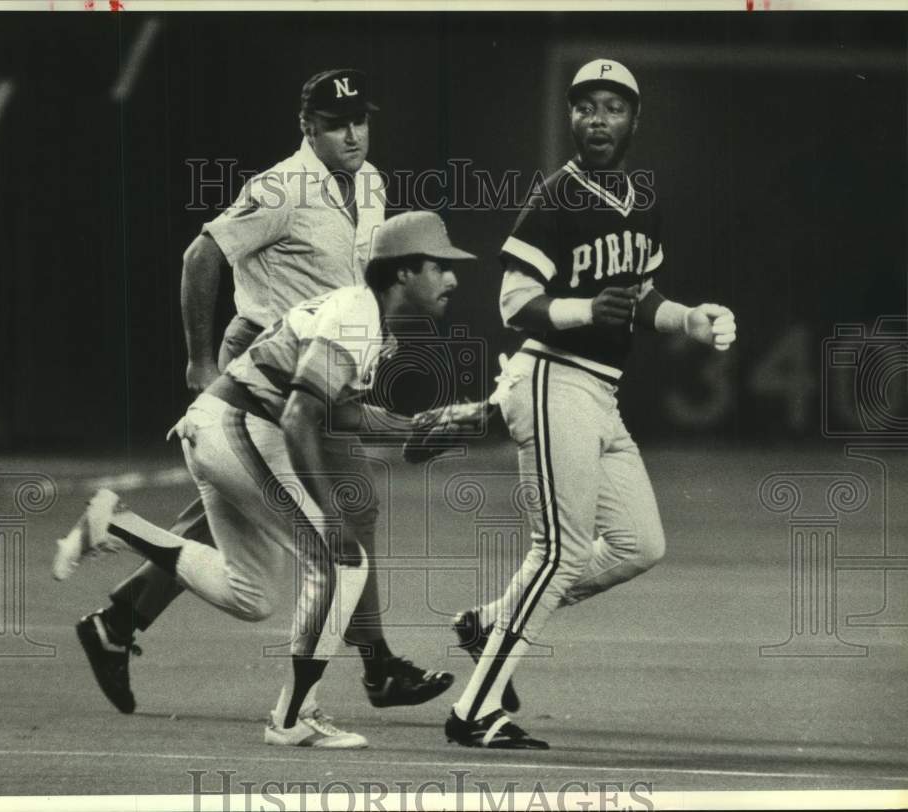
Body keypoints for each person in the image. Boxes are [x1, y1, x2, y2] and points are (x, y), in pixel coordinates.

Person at [72, 69, 452, 716]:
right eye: (336, 122)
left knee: (232, 517)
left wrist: (372, 329)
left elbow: (355, 279)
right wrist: (198, 359)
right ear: (308, 127)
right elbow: (201, 257)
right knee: (347, 507)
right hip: (267, 363)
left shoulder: (372, 182)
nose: (353, 133)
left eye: (360, 118)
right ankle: (378, 667)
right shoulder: (283, 187)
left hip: (317, 359)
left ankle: (117, 621)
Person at [55, 211, 479, 748]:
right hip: (237, 429)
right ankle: (291, 718)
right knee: (340, 560)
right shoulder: (356, 316)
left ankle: (117, 524)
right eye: (440, 267)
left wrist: (412, 425)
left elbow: (336, 414)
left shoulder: (366, 317)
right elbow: (302, 417)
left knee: (250, 595)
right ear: (401, 272)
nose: (453, 279)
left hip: (225, 429)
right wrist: (329, 512)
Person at [446, 59, 737, 749]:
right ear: (571, 118)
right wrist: (581, 308)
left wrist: (689, 318)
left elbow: (641, 297)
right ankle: (473, 712)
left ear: (635, 120)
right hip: (550, 377)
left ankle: (489, 624)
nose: (597, 119)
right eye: (585, 107)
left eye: (612, 106)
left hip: (599, 392)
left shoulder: (644, 199)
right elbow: (514, 304)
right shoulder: (557, 197)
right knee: (560, 553)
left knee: (640, 543)